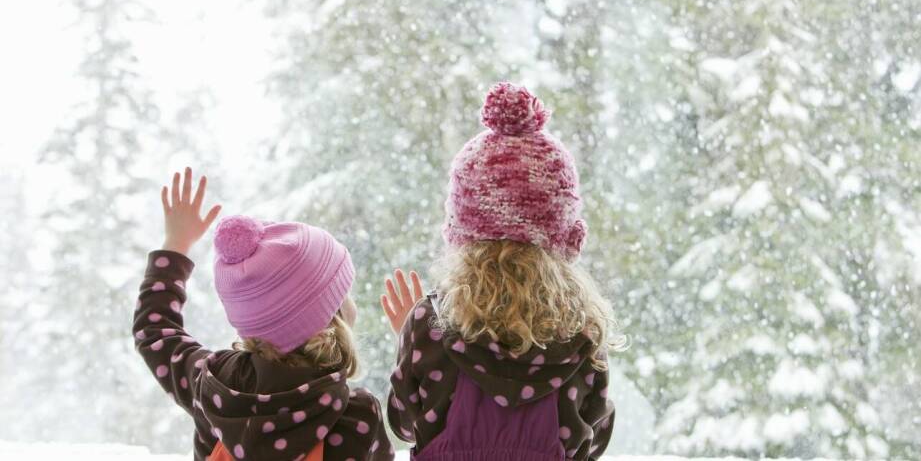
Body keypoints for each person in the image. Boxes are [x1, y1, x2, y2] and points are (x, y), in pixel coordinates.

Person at [381, 83, 625, 460]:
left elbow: (402, 424)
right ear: (565, 236)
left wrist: (412, 338)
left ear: (462, 233)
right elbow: (595, 439)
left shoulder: (432, 325)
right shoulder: (583, 333)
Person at [134, 168, 393, 461]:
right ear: (331, 320)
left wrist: (175, 245)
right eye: (343, 291)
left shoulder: (213, 386)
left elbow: (154, 333)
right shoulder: (354, 416)